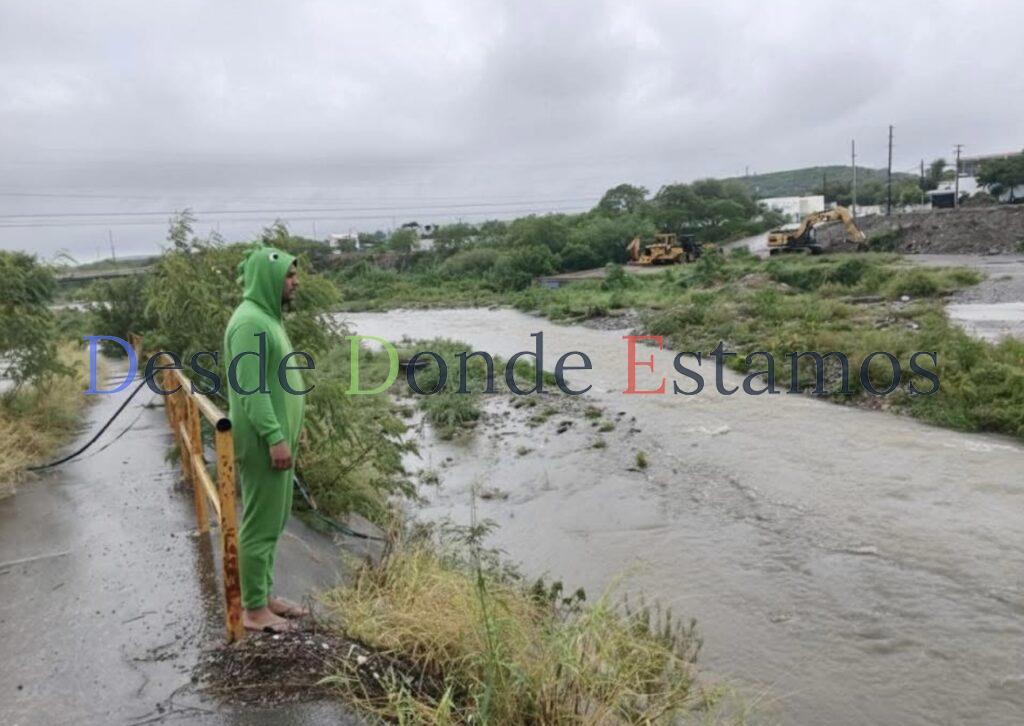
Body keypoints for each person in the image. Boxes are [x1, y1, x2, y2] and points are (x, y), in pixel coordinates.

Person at [223, 246, 308, 633]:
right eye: (289, 275)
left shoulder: (266, 319)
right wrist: (275, 436)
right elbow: (251, 390)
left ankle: (264, 595)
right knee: (260, 524)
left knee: (275, 520)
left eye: (294, 274)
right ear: (267, 278)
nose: (295, 282)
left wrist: (294, 426)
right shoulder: (250, 324)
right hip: (262, 442)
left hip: (276, 437)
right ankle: (254, 610)